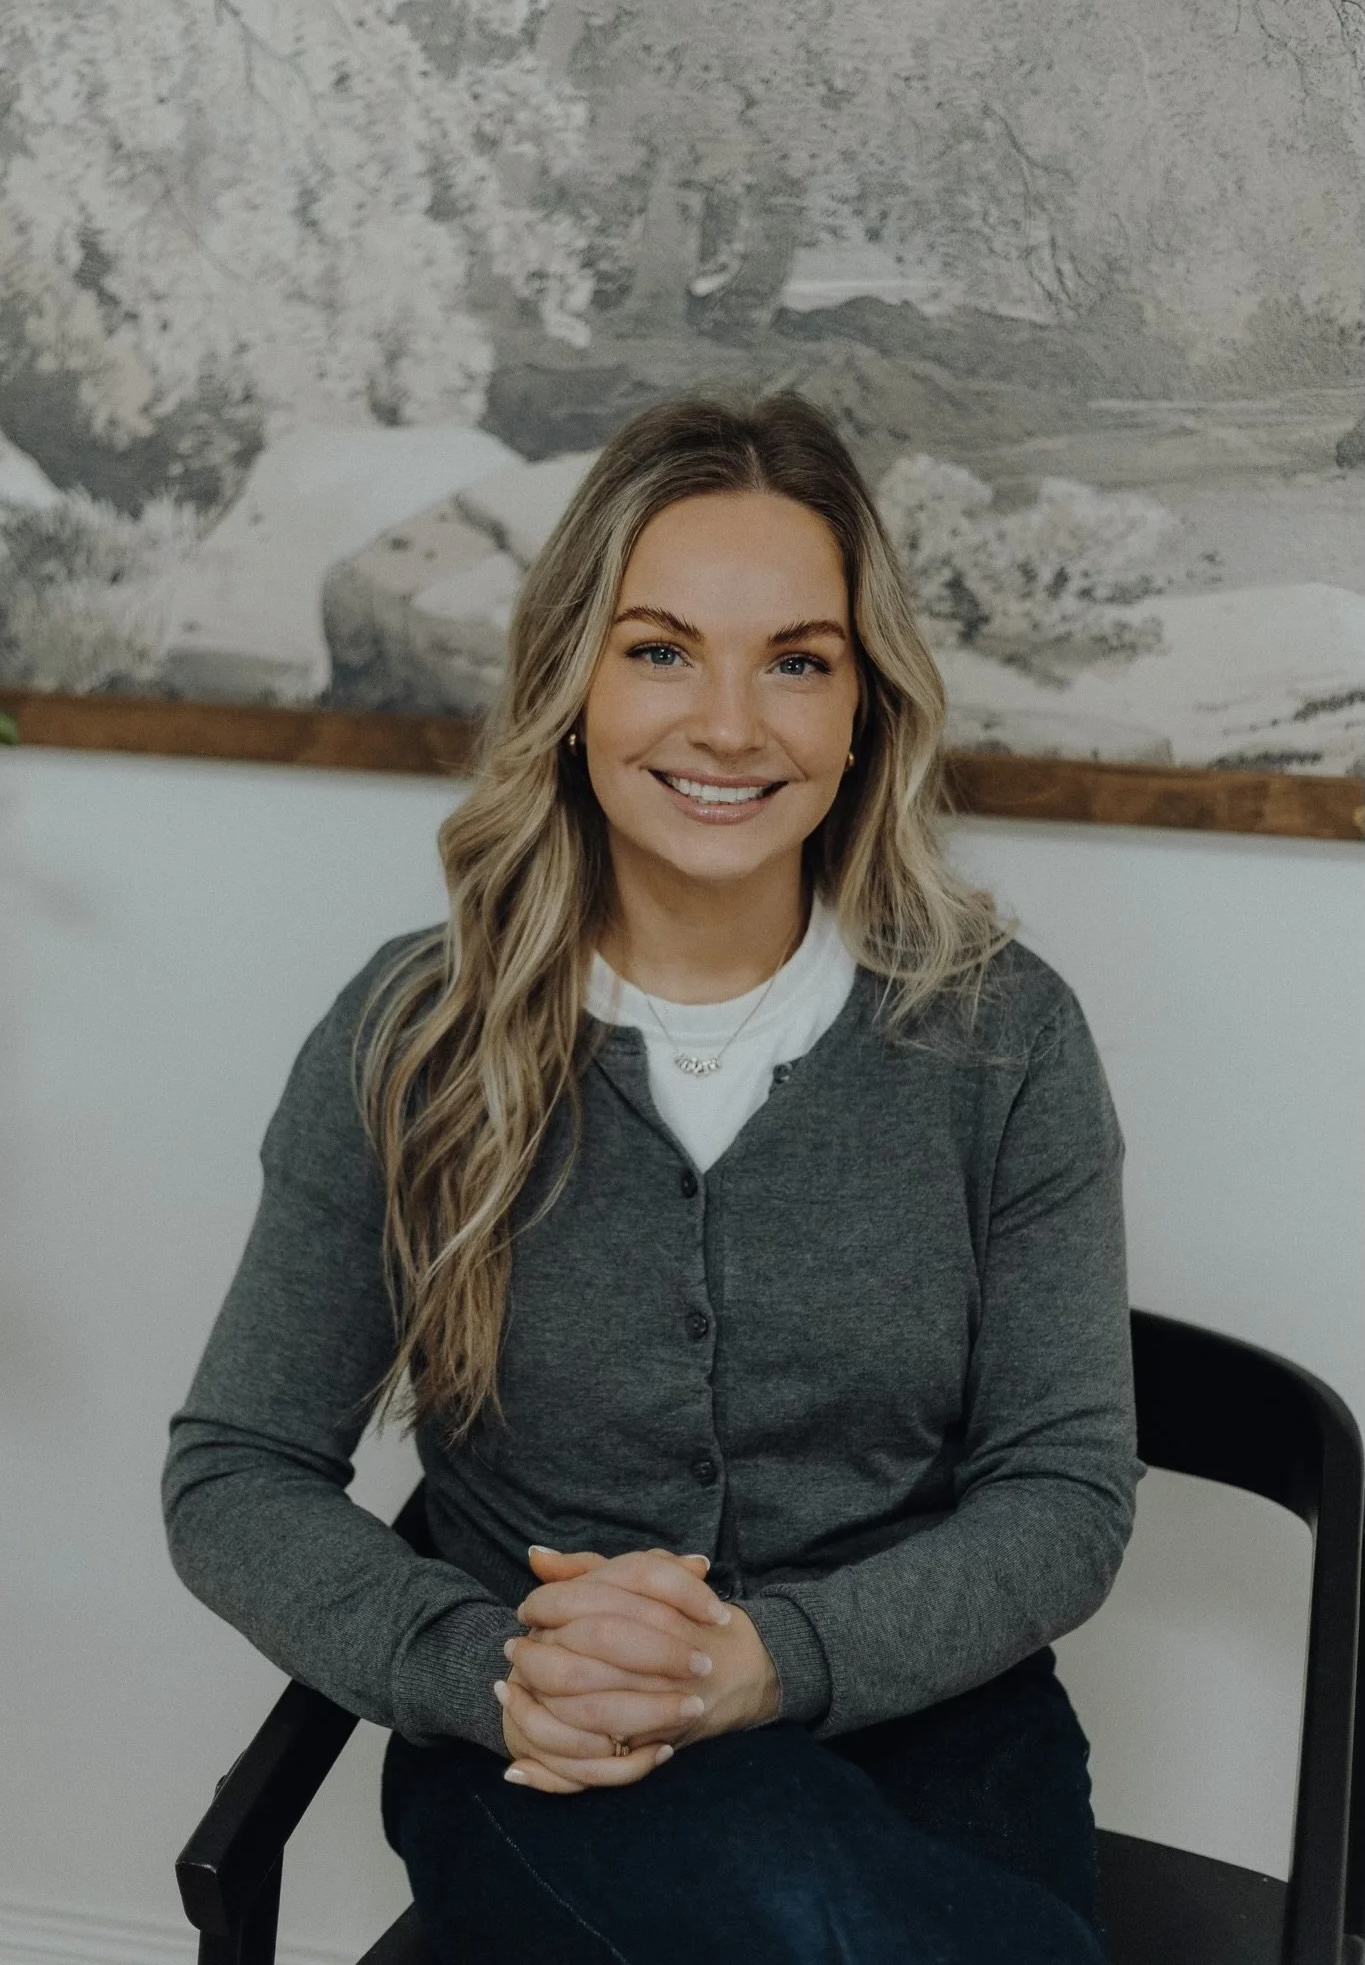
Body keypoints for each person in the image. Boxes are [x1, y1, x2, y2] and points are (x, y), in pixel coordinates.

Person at [162, 390, 1141, 1965]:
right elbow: (235, 1469)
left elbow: (1066, 1496)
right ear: (570, 684)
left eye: (798, 662)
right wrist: (484, 1666)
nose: (731, 726)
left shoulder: (1000, 1039)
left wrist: (765, 1663)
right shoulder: (414, 1037)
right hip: (550, 1743)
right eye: (663, 648)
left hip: (938, 1726)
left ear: (864, 711)